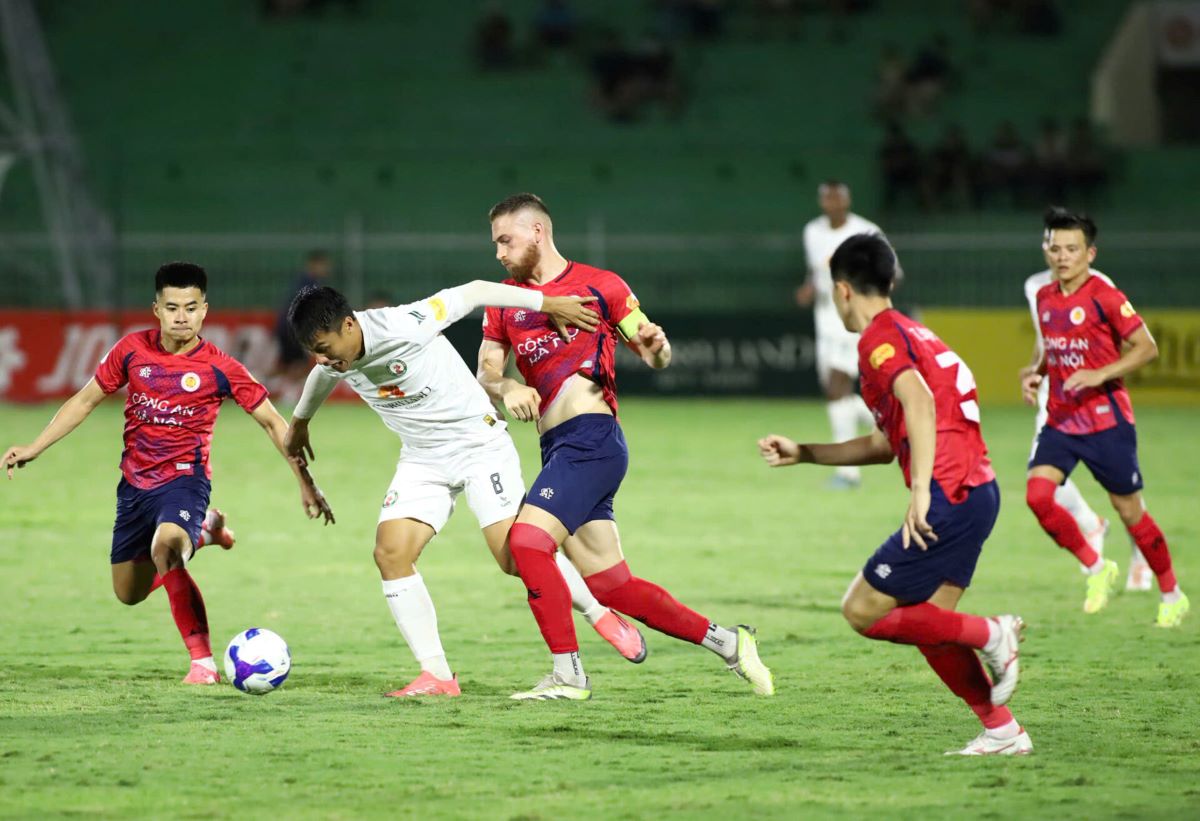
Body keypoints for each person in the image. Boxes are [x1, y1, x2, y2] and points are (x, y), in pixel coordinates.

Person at [284, 281, 648, 698]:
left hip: (479, 446)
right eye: (315, 350)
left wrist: (546, 303)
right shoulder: (336, 360)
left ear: (349, 325)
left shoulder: (405, 324)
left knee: (515, 559)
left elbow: (473, 292)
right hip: (422, 458)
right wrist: (300, 422)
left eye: (325, 346)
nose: (323, 357)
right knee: (390, 553)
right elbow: (320, 376)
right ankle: (437, 675)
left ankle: (599, 613)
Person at [478, 192, 774, 701]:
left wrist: (658, 350)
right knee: (611, 587)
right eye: (496, 244)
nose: (500, 253)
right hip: (558, 449)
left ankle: (569, 675)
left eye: (506, 240)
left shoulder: (602, 285)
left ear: (537, 232)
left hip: (593, 441)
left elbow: (653, 348)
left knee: (528, 543)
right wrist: (508, 388)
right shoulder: (506, 300)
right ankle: (731, 643)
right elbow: (487, 371)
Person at [760, 233, 1029, 756]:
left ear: (841, 290)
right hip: (978, 493)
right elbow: (886, 443)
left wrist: (922, 490)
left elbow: (921, 403)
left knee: (861, 609)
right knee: (932, 626)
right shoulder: (916, 334)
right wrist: (806, 452)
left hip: (949, 492)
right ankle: (1002, 730)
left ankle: (993, 634)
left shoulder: (878, 340)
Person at [2, 262, 332, 684]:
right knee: (128, 593)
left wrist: (305, 482)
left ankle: (202, 663)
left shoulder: (221, 367)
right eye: (172, 306)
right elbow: (84, 401)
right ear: (156, 309)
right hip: (134, 486)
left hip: (185, 481)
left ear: (205, 311)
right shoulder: (130, 351)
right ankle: (207, 532)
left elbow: (273, 423)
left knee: (167, 549)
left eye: (191, 307)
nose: (181, 316)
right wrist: (34, 447)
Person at [1022, 210, 1188, 626]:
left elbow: (1146, 347)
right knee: (1038, 497)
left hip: (1106, 420)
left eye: (1072, 249)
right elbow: (1052, 348)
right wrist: (1036, 374)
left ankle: (1172, 592)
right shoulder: (1043, 297)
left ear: (1090, 253)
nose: (1062, 257)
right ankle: (1098, 567)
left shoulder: (1105, 296)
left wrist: (1100, 373)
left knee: (1129, 511)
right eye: (1055, 249)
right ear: (1046, 251)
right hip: (1061, 419)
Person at [795, 180, 885, 489]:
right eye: (827, 198)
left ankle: (848, 473)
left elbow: (892, 272)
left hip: (852, 317)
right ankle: (895, 426)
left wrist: (868, 302)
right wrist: (809, 288)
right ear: (822, 202)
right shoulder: (813, 231)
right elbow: (816, 272)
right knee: (837, 394)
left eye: (838, 198)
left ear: (847, 201)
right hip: (824, 317)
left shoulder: (866, 231)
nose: (833, 204)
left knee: (836, 387)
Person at [273, 250, 333, 401]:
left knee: (290, 363)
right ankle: (287, 394)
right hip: (293, 327)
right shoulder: (309, 283)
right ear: (313, 264)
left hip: (287, 325)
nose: (325, 268)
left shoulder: (303, 281)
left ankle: (283, 391)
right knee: (299, 362)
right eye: (323, 265)